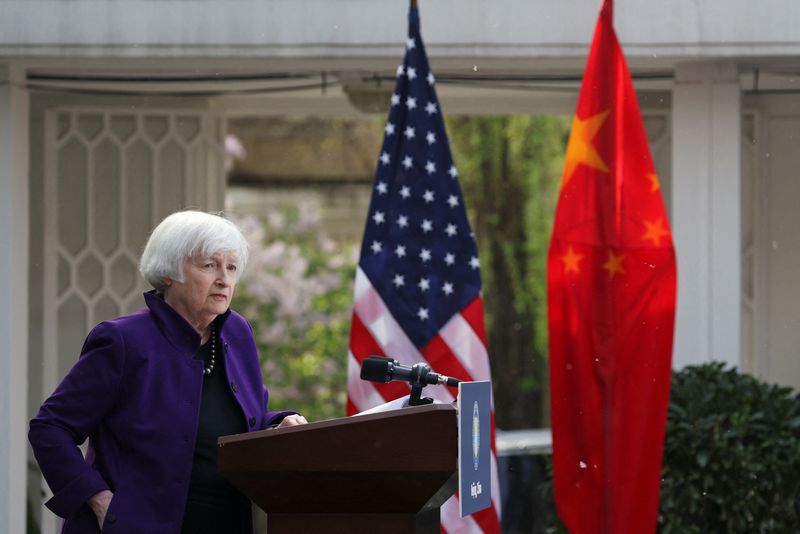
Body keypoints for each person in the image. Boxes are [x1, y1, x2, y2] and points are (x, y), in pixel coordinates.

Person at [29, 210, 307, 534]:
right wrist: (99, 499)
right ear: (169, 273)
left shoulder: (238, 332)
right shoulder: (123, 340)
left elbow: (241, 418)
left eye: (231, 267)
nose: (224, 279)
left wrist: (277, 423)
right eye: (209, 265)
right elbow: (50, 426)